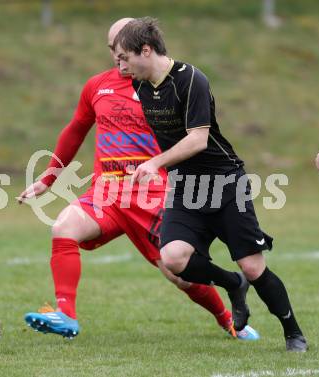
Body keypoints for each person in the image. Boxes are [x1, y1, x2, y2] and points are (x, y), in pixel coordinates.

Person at [18, 18, 259, 341]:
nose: (117, 58)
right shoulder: (97, 86)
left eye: (122, 51)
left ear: (139, 49)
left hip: (151, 195)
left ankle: (227, 318)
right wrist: (48, 179)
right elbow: (75, 130)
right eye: (112, 51)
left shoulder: (162, 89)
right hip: (106, 194)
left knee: (179, 274)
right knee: (63, 227)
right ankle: (66, 315)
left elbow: (193, 139)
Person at [113, 17, 306, 352]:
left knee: (253, 265)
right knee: (173, 258)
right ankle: (233, 285)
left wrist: (155, 163)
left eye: (124, 58)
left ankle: (293, 332)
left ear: (146, 50)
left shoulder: (191, 80)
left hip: (224, 183)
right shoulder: (141, 85)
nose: (120, 66)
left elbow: (198, 139)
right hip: (186, 188)